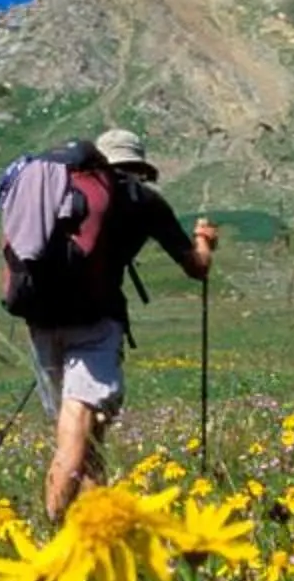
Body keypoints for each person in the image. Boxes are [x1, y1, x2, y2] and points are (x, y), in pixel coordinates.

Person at [23, 126, 217, 522]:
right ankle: (55, 526)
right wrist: (204, 242)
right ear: (139, 167)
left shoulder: (62, 191)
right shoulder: (142, 200)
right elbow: (196, 267)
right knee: (81, 426)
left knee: (83, 436)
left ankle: (97, 524)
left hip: (41, 319)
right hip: (97, 321)